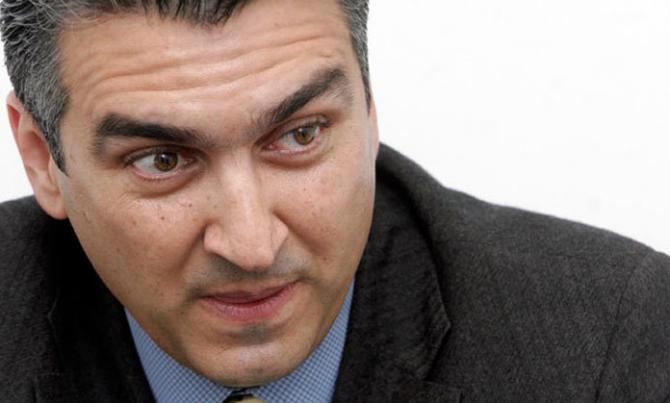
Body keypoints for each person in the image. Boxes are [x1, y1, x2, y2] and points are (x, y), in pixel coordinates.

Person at [0, 0, 668, 402]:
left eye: (300, 135)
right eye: (162, 160)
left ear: (370, 111)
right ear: (42, 159)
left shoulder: (611, 348)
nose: (252, 245)